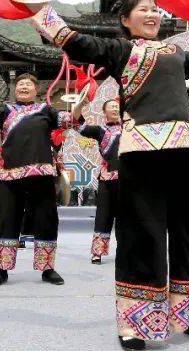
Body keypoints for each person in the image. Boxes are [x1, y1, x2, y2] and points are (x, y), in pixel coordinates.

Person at [32, 0, 189, 349]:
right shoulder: (120, 50)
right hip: (142, 151)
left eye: (155, 9)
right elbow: (74, 42)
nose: (153, 14)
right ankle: (136, 322)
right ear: (126, 20)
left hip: (188, 150)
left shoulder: (175, 52)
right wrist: (38, 9)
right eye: (144, 9)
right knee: (143, 232)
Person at [0, 73, 85, 287]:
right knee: (5, 220)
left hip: (41, 175)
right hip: (9, 176)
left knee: (46, 221)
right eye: (20, 84)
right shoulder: (4, 110)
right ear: (16, 89)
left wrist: (81, 102)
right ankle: (2, 269)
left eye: (28, 84)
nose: (23, 87)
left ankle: (47, 269)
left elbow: (69, 120)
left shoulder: (45, 111)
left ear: (35, 90)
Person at [77, 99, 122, 265]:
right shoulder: (99, 130)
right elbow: (79, 126)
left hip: (128, 180)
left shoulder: (130, 128)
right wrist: (80, 105)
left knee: (126, 217)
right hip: (106, 179)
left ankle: (125, 251)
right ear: (105, 112)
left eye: (118, 106)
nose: (115, 108)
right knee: (103, 215)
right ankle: (97, 252)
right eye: (112, 106)